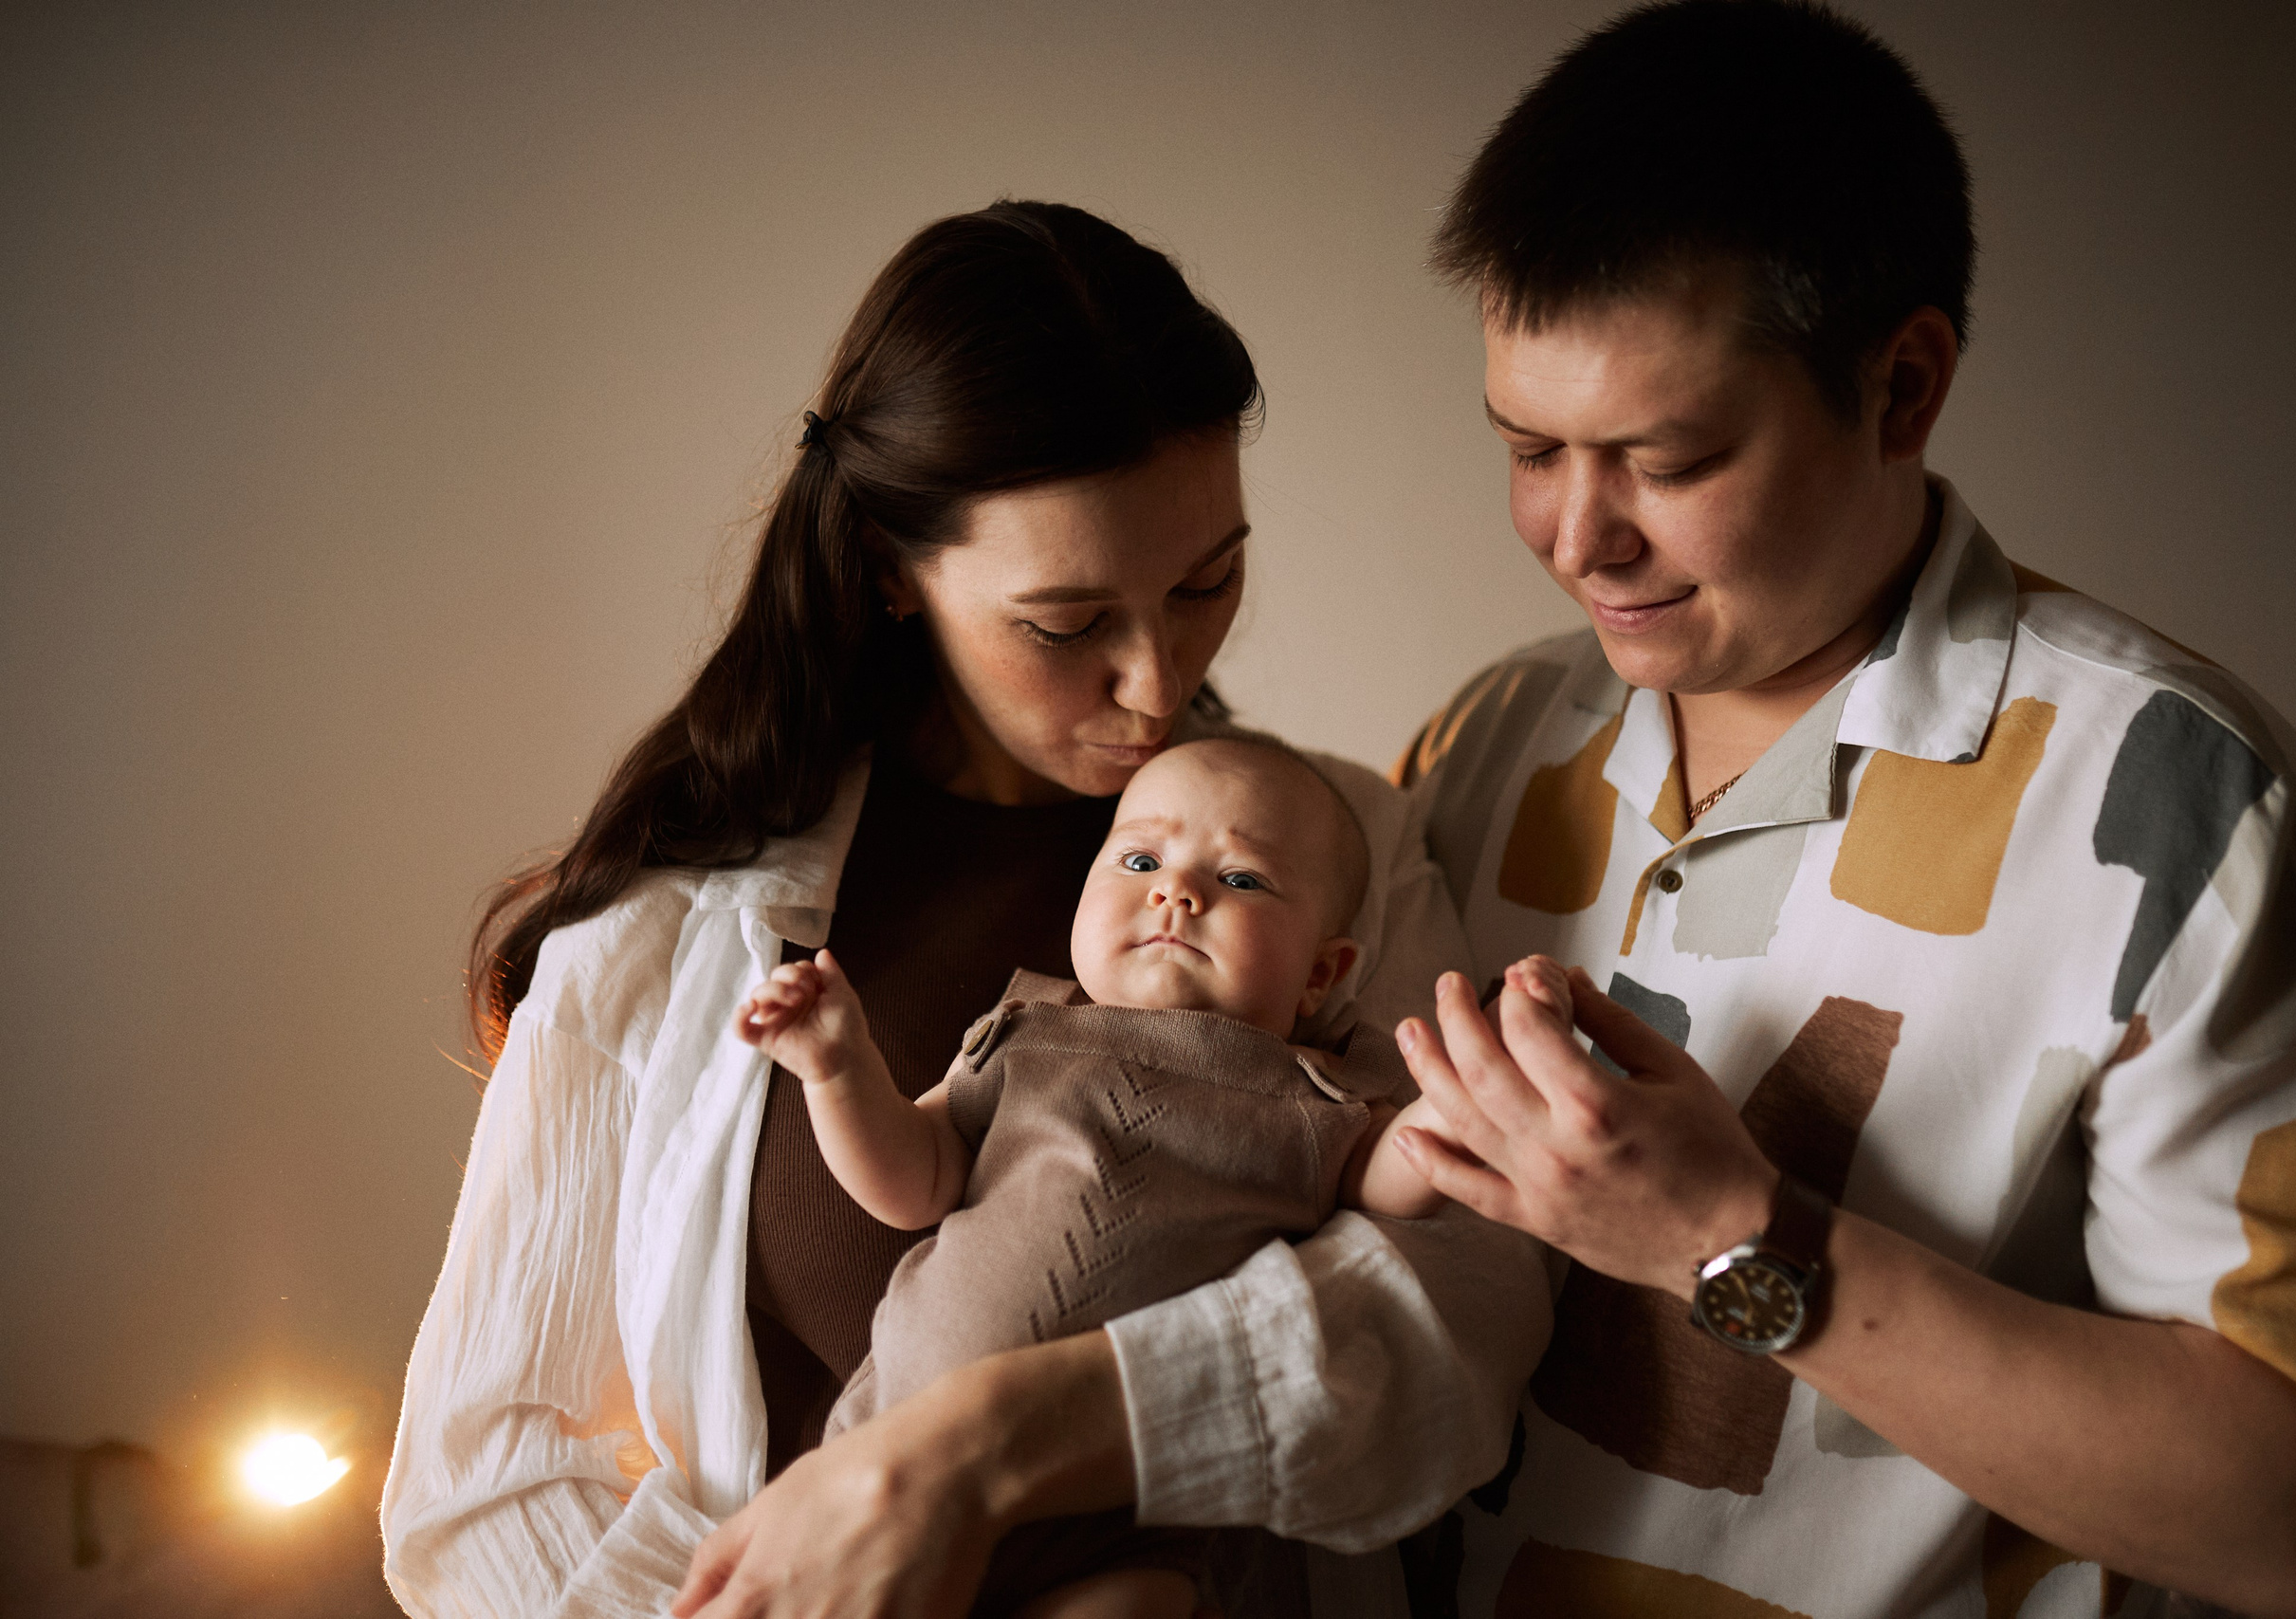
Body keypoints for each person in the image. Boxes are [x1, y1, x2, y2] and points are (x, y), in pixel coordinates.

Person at [1382, 3, 2296, 1615]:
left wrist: (1732, 1239)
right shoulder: (1482, 742)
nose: (1577, 538)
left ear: (1903, 386)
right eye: (1529, 448)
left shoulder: (2194, 806)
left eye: (1667, 459)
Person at [380, 201, 1557, 1619]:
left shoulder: (1338, 846)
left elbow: (1463, 1316)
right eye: (1067, 624)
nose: (1157, 680)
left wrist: (996, 1444)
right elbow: (480, 1480)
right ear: (890, 568)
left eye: (1208, 581)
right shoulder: (665, 932)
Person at [731, 738, 1472, 1617]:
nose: (1177, 891)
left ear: (1321, 972)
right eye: (1141, 860)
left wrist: (1459, 1105)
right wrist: (838, 1070)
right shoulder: (1029, 1028)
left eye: (1241, 879)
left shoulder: (1311, 1092)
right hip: (896, 1439)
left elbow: (1392, 1182)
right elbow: (911, 1182)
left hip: (1130, 1505)